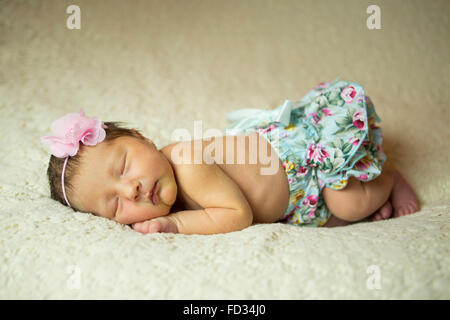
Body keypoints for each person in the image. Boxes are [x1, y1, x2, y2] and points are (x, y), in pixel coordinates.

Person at [41, 79, 419, 234]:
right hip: (294, 199)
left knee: (348, 204)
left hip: (301, 164)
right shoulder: (167, 192)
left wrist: (176, 227)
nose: (133, 190)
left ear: (142, 138)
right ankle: (367, 198)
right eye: (115, 205)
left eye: (123, 167)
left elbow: (239, 216)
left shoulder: (187, 163)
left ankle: (387, 176)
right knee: (333, 222)